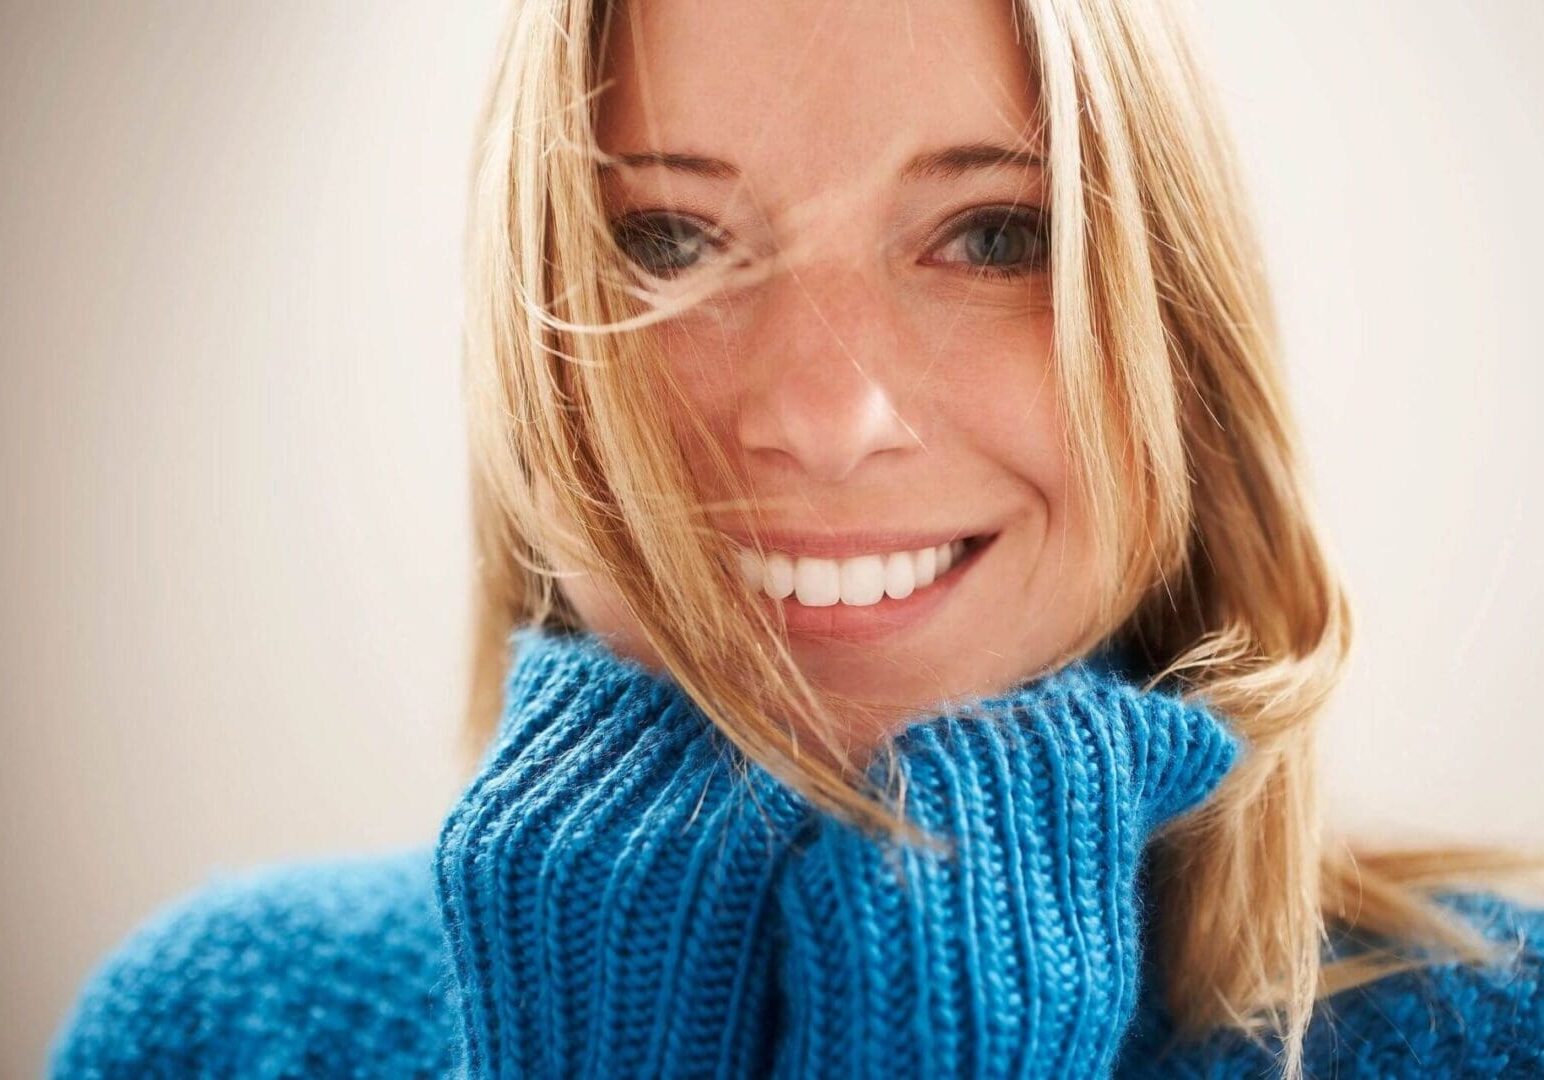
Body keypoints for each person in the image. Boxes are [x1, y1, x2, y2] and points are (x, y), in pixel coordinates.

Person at [48, 0, 1544, 1077]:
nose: (829, 415)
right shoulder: (226, 1031)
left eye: (994, 235)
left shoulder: (1489, 1039)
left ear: (1183, 351)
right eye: (669, 239)